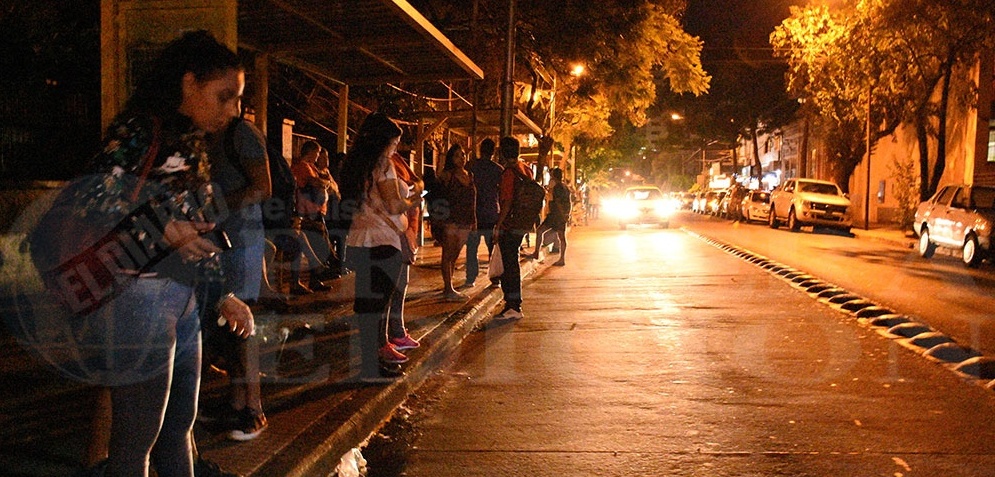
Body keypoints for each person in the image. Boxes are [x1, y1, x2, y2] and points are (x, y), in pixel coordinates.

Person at [70, 30, 253, 477]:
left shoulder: (191, 140)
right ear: (189, 83)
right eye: (225, 96)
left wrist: (223, 294)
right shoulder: (139, 130)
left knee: (178, 428)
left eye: (237, 99)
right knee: (136, 441)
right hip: (138, 297)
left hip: (182, 299)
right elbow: (90, 198)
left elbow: (200, 226)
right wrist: (164, 228)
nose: (234, 110)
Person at [198, 115, 270, 442]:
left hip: (240, 239)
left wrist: (217, 207)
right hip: (215, 238)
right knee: (221, 323)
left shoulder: (241, 132)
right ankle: (236, 401)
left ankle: (253, 408)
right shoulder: (200, 131)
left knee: (241, 323)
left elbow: (262, 187)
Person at [339, 112, 424, 382]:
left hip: (359, 239)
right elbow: (395, 205)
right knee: (376, 307)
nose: (394, 150)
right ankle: (371, 369)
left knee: (367, 306)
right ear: (382, 141)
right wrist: (415, 198)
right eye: (393, 144)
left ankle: (370, 365)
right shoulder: (383, 164)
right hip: (384, 241)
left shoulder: (354, 164)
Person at [492, 136, 532, 321]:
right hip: (522, 224)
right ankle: (513, 304)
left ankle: (513, 305)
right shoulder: (525, 169)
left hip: (510, 224)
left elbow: (507, 202)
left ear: (502, 152)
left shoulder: (509, 173)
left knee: (509, 266)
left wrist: (498, 224)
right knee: (512, 263)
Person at [291, 140, 337, 292]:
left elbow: (329, 186)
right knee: (315, 244)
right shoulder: (303, 167)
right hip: (308, 212)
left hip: (315, 211)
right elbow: (316, 182)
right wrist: (326, 184)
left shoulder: (312, 167)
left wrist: (325, 183)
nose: (318, 157)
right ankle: (316, 274)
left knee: (314, 244)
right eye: (317, 154)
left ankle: (314, 279)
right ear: (310, 152)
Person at [437, 144, 476, 301]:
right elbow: (439, 197)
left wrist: (474, 221)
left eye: (463, 155)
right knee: (448, 253)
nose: (461, 158)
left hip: (465, 220)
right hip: (451, 219)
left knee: (455, 254)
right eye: (457, 155)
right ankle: (448, 288)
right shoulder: (447, 175)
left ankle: (449, 285)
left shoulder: (470, 175)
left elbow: (473, 200)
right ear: (451, 158)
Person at [462, 138, 502, 289]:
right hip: (491, 213)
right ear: (493, 152)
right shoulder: (498, 170)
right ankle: (495, 277)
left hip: (474, 213)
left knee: (472, 248)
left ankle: (470, 278)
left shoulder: (470, 166)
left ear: (480, 150)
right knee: (493, 247)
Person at [529, 167, 570, 266]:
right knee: (562, 237)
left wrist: (562, 214)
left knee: (540, 230)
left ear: (554, 176)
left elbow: (558, 202)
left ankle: (536, 252)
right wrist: (567, 214)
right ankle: (562, 258)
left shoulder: (557, 187)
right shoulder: (565, 187)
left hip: (555, 215)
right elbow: (569, 202)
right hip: (560, 215)